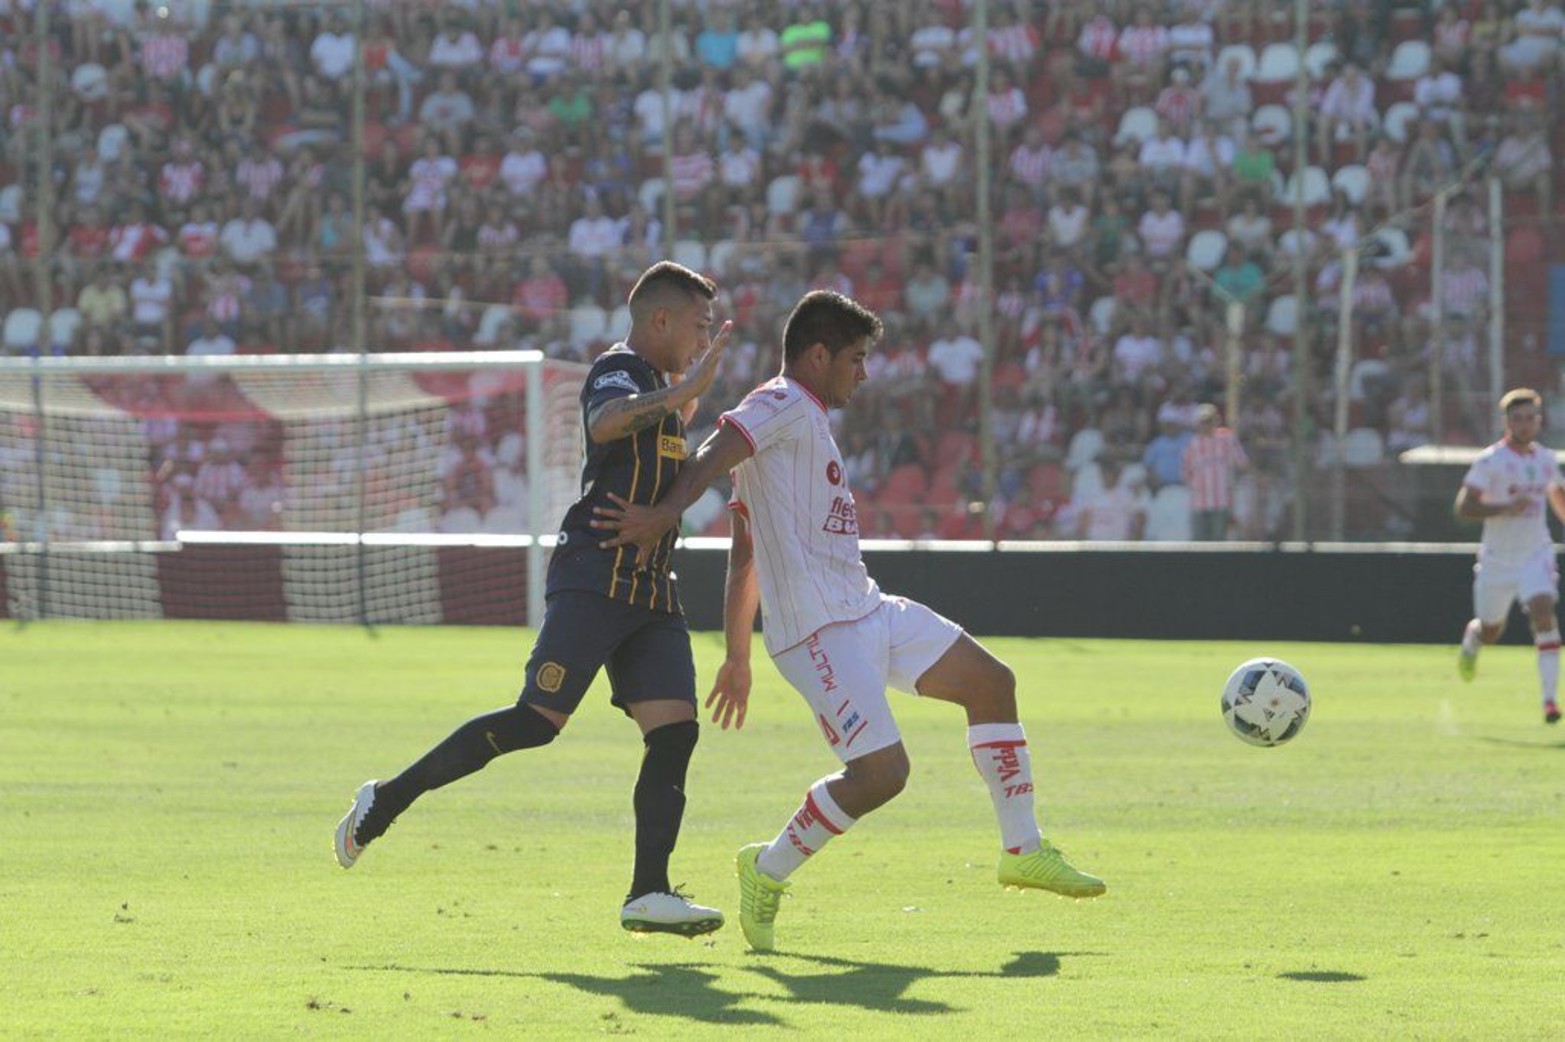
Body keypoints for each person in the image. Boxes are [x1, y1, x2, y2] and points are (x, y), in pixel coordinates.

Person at [592, 290, 1105, 953]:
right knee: (883, 776)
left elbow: (746, 549)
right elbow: (719, 444)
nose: (863, 373)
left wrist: (737, 653)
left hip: (865, 608)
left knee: (990, 682)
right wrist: (666, 513)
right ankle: (766, 867)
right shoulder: (778, 402)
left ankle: (1023, 848)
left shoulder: (803, 423)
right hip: (817, 634)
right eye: (856, 359)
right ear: (818, 354)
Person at [334, 261, 733, 936]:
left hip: (650, 586)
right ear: (659, 320)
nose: (702, 342)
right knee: (535, 722)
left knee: (675, 732)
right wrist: (687, 390)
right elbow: (606, 424)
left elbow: (679, 471)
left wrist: (687, 477)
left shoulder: (665, 392)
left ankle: (648, 892)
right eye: (697, 326)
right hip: (593, 575)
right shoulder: (620, 371)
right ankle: (386, 799)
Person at [1454, 388, 1565, 725]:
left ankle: (1549, 700)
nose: (1525, 423)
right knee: (1491, 630)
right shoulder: (1491, 461)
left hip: (1536, 554)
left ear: (1539, 421)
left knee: (1544, 612)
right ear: (1507, 422)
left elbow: (1558, 496)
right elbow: (1464, 507)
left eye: (1530, 417)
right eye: (1518, 418)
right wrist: (1504, 507)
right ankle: (1474, 639)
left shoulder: (1546, 460)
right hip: (1498, 559)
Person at [1182, 403, 1248, 541]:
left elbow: (1241, 463)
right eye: (1202, 421)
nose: (1205, 425)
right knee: (1198, 543)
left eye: (1209, 421)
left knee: (1219, 543)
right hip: (1199, 502)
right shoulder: (1192, 444)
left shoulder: (1227, 439)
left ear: (1216, 420)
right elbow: (1186, 471)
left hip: (1221, 502)